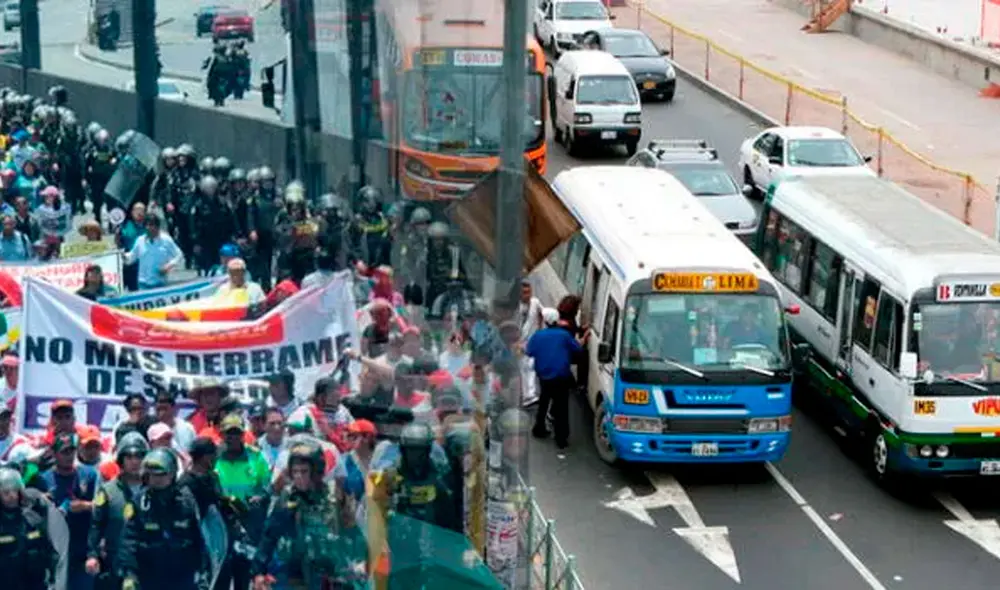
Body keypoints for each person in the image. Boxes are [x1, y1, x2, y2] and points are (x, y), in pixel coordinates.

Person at [251, 440, 366, 590]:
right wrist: (258, 571)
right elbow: (269, 536)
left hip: (333, 574)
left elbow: (354, 533)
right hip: (297, 575)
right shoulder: (287, 498)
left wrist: (361, 561)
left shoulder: (335, 497)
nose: (298, 477)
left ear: (317, 471)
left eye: (304, 471)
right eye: (295, 471)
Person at [119, 449, 208, 590]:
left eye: (161, 474)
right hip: (149, 576)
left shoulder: (186, 501)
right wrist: (129, 575)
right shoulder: (139, 502)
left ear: (172, 473)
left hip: (182, 576)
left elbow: (200, 540)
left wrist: (203, 575)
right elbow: (129, 540)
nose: (156, 479)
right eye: (152, 474)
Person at [214, 413, 270, 590]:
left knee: (244, 577)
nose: (232, 437)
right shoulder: (214, 456)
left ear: (243, 434)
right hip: (221, 525)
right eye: (228, 433)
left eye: (236, 433)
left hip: (249, 525)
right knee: (221, 577)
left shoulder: (256, 457)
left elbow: (267, 487)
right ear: (221, 434)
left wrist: (260, 497)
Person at [85, 434, 147, 590]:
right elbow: (96, 526)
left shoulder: (154, 490)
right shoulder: (108, 491)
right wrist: (92, 555)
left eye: (139, 456)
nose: (135, 462)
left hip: (147, 564)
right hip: (114, 564)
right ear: (121, 460)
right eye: (129, 456)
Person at [39, 433, 99, 590]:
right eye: (64, 452)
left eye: (72, 451)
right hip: (55, 553)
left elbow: (101, 508)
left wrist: (84, 506)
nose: (69, 456)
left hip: (82, 550)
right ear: (54, 453)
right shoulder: (44, 479)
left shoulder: (89, 474)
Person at [526, 308, 589, 450]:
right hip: (561, 376)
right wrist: (584, 339)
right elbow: (577, 349)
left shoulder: (538, 335)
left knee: (544, 401)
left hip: (544, 376)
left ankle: (539, 428)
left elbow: (529, 351)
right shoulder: (564, 335)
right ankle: (561, 438)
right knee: (561, 407)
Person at [0, 468, 61, 590]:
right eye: (6, 492)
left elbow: (50, 550)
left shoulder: (33, 519)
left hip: (34, 584)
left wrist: (54, 579)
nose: (12, 496)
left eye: (15, 491)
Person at [123, 215, 183, 289]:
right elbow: (131, 257)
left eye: (151, 225)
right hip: (143, 283)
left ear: (157, 227)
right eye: (146, 225)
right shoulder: (140, 240)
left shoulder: (166, 240)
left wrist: (168, 266)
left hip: (160, 283)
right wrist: (122, 256)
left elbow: (179, 255)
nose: (148, 228)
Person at [518, 280, 543, 407]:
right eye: (524, 293)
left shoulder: (535, 302)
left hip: (532, 341)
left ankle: (530, 395)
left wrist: (539, 330)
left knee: (530, 366)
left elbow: (541, 315)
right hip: (518, 342)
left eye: (529, 292)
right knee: (522, 368)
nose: (527, 295)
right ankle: (523, 395)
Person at [116, 201, 146, 291]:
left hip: (142, 264)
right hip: (127, 263)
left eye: (142, 210)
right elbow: (119, 245)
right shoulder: (125, 225)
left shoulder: (148, 226)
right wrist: (117, 237)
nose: (139, 213)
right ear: (132, 212)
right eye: (136, 210)